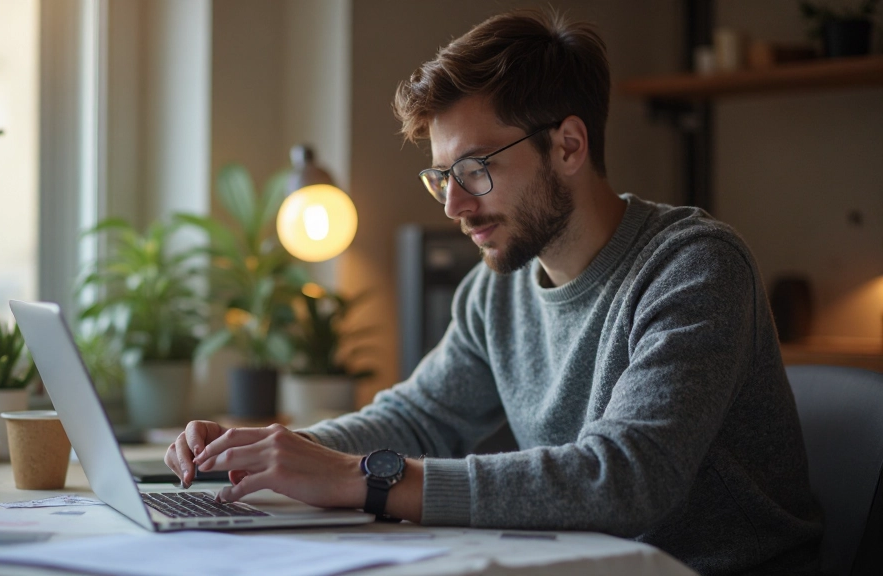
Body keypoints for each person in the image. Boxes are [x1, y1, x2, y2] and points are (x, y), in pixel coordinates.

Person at [165, 9, 822, 575]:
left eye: (475, 170)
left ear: (568, 146)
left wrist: (358, 479)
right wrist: (260, 457)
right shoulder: (497, 289)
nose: (452, 205)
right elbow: (420, 419)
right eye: (441, 176)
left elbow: (626, 479)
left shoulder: (694, 267)